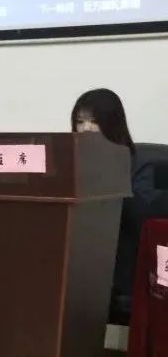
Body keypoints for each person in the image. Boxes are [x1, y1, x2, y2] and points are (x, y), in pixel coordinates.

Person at [72, 88, 168, 324]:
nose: (86, 128)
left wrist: (108, 174)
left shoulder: (140, 164)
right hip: (84, 267)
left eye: (94, 121)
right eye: (80, 122)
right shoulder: (74, 164)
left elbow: (142, 216)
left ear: (113, 124)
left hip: (125, 270)